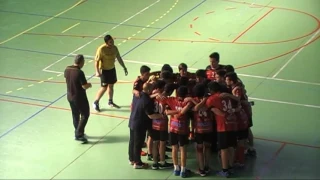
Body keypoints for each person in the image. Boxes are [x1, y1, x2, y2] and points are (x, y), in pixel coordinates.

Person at [128, 83, 165, 169]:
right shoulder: (147, 101)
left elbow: (147, 97)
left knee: (132, 141)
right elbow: (151, 115)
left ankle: (132, 159)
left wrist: (155, 94)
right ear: (148, 90)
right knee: (138, 143)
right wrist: (162, 115)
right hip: (140, 125)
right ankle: (138, 163)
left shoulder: (138, 94)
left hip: (132, 121)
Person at [93, 34, 128, 112]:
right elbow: (96, 61)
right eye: (110, 42)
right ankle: (96, 102)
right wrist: (97, 71)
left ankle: (110, 101)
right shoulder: (101, 49)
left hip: (112, 69)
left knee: (111, 86)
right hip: (104, 70)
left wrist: (124, 67)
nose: (112, 42)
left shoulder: (115, 48)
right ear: (106, 42)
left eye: (112, 41)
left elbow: (119, 58)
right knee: (104, 87)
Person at [64, 54, 92, 143]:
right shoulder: (79, 72)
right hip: (79, 97)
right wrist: (89, 85)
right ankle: (79, 134)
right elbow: (84, 86)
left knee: (75, 115)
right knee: (85, 114)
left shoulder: (67, 69)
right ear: (81, 62)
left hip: (70, 96)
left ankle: (77, 131)